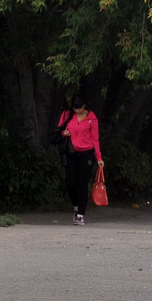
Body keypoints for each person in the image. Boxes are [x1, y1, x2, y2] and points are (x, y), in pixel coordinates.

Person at [58, 95, 104, 225]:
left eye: (79, 108)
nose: (77, 111)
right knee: (70, 182)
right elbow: (59, 130)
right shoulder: (67, 115)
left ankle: (80, 214)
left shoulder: (91, 118)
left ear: (84, 106)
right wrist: (63, 134)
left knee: (82, 183)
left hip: (87, 153)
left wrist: (99, 157)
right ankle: (76, 206)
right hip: (71, 153)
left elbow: (95, 138)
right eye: (75, 108)